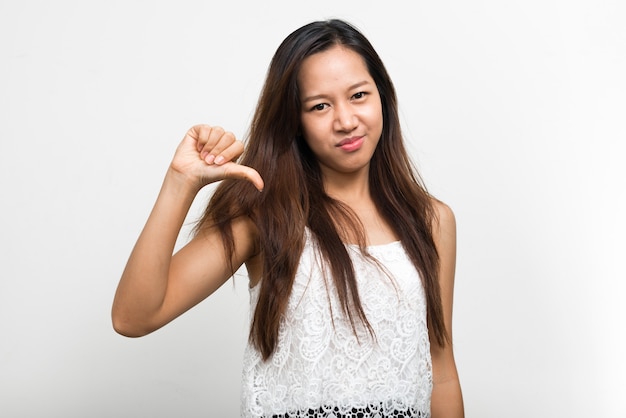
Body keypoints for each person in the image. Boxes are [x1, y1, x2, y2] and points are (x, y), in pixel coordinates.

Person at [112, 19, 464, 418]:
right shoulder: (265, 215)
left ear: (383, 97)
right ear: (294, 120)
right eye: (319, 105)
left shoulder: (431, 220)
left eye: (359, 95)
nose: (345, 120)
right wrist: (180, 183)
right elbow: (133, 317)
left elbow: (441, 369)